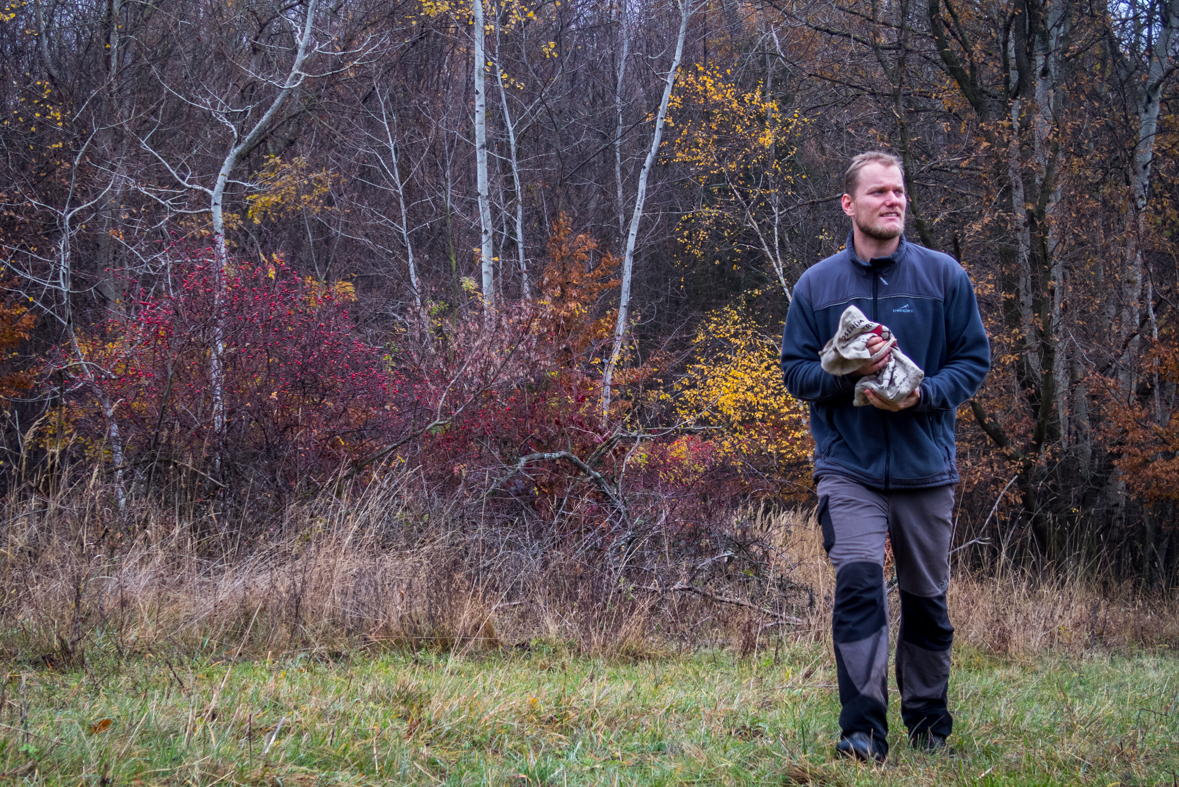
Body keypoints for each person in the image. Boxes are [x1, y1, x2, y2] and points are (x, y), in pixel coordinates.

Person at [780, 151, 990, 762]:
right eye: (878, 192)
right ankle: (863, 733)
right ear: (849, 204)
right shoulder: (817, 286)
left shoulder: (943, 276)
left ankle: (929, 727)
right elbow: (794, 371)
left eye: (899, 191)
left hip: (927, 466)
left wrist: (921, 396)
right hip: (849, 466)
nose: (893, 201)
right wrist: (850, 381)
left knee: (927, 599)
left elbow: (972, 361)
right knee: (859, 585)